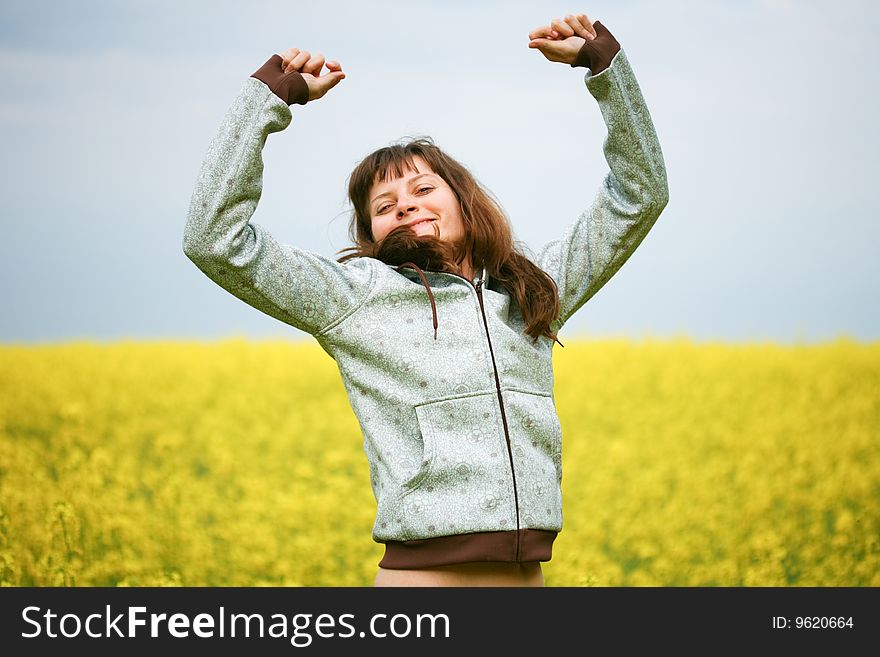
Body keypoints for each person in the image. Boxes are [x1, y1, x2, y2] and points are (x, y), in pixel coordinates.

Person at [183, 12, 669, 587]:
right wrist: (266, 102)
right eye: (384, 207)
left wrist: (605, 69)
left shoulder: (532, 291)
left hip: (527, 577)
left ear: (464, 201)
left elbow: (640, 195)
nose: (405, 206)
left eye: (421, 189)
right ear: (373, 234)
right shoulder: (355, 298)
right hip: (424, 580)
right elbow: (213, 239)